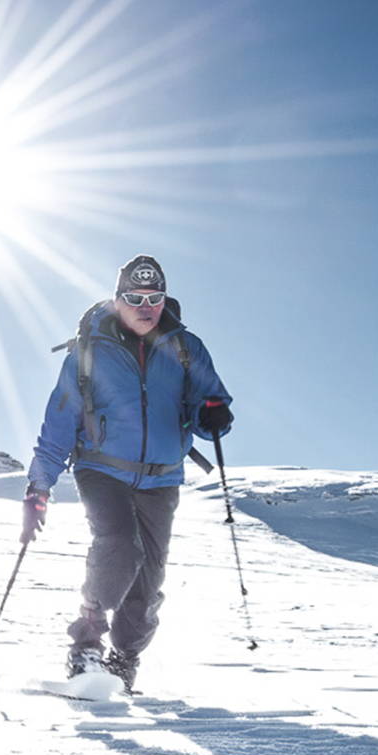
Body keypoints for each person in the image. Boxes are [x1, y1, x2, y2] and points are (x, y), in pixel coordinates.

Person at [21, 254, 234, 694]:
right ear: (117, 299)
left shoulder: (185, 347)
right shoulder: (90, 350)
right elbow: (59, 424)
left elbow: (209, 402)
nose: (145, 306)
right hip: (102, 469)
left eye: (154, 297)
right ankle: (86, 645)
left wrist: (214, 415)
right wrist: (39, 486)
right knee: (118, 545)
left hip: (163, 476)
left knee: (148, 579)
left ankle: (124, 661)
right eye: (134, 297)